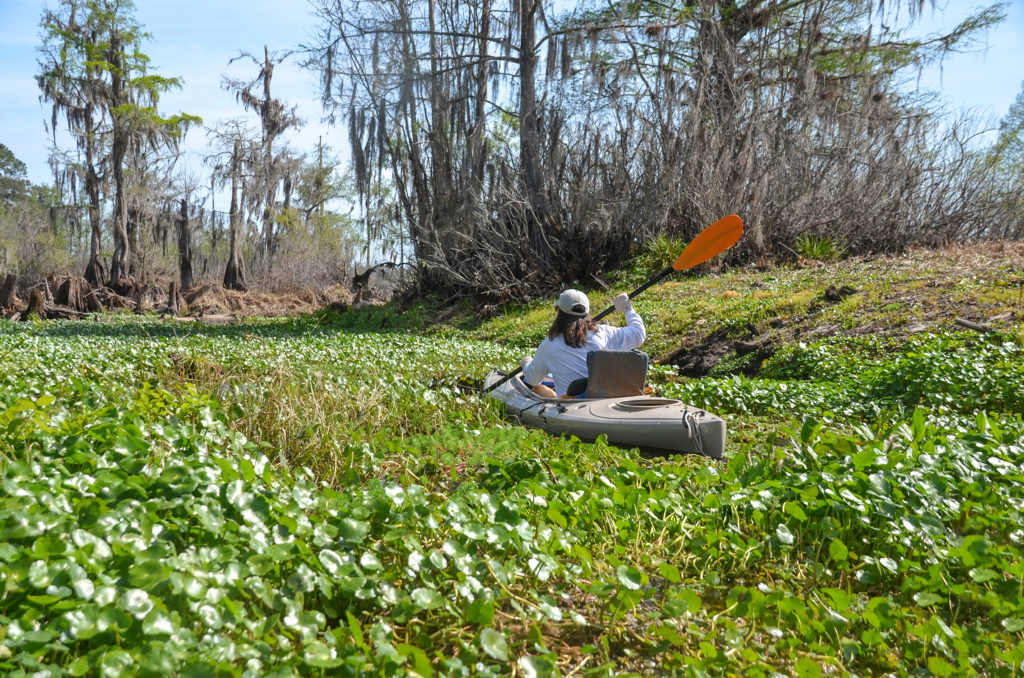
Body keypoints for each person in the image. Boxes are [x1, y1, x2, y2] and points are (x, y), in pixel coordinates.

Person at [520, 289, 646, 397]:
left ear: (558, 312)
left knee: (538, 388)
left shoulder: (548, 345)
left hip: (572, 406)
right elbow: (638, 333)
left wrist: (526, 363)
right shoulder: (603, 333)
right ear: (587, 313)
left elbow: (532, 379)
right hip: (606, 399)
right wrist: (627, 309)